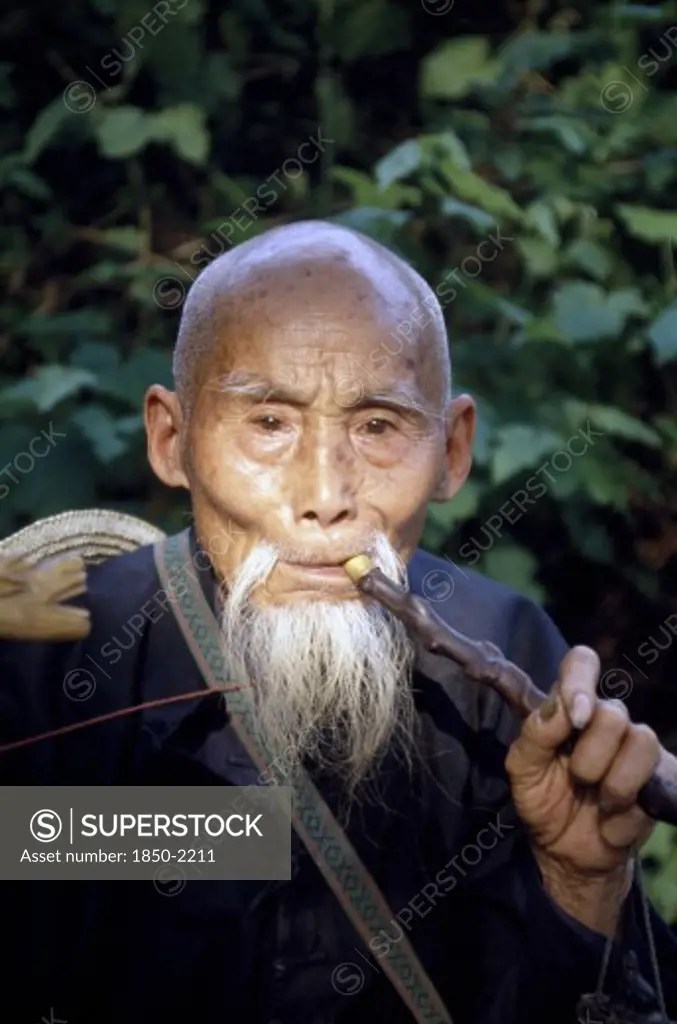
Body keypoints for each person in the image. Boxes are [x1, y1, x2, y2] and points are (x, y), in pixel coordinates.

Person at [1, 220, 676, 1024]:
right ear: (172, 440)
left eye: (378, 426)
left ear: (452, 451)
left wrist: (583, 886)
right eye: (268, 423)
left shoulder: (508, 669)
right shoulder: (55, 662)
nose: (325, 494)